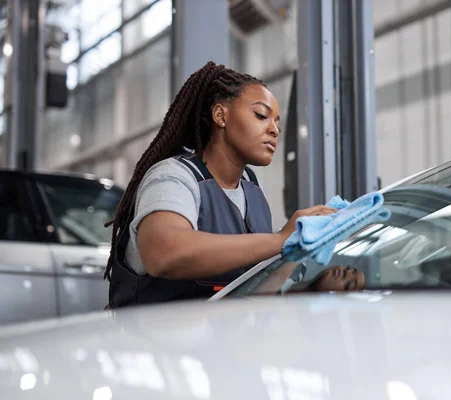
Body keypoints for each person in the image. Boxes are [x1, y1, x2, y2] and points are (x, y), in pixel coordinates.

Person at [104, 62, 337, 308]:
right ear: (220, 116)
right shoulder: (173, 177)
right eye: (261, 115)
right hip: (149, 343)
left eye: (277, 122)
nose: (275, 130)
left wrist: (311, 287)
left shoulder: (252, 189)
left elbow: (252, 287)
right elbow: (164, 253)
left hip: (221, 343)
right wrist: (280, 239)